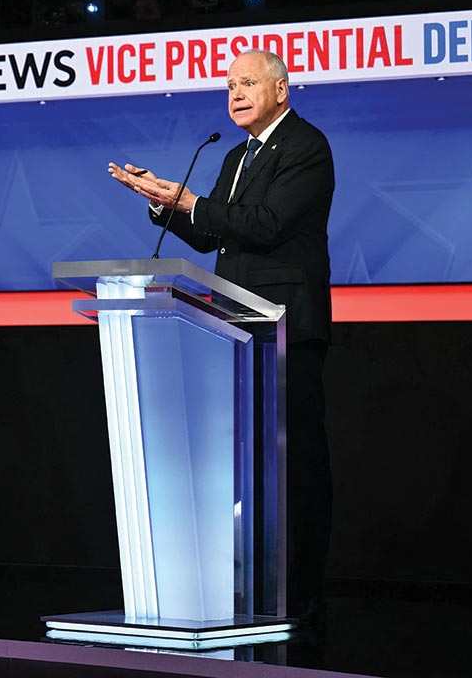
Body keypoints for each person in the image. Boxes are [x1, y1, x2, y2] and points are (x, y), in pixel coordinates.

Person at [108, 49, 335, 627]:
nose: (235, 93)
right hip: (234, 322)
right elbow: (216, 237)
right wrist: (167, 203)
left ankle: (303, 594)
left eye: (247, 82)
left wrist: (191, 202)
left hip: (286, 323)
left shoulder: (306, 147)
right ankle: (253, 588)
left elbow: (266, 225)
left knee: (296, 463)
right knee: (247, 467)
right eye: (229, 84)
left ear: (280, 90)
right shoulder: (235, 154)